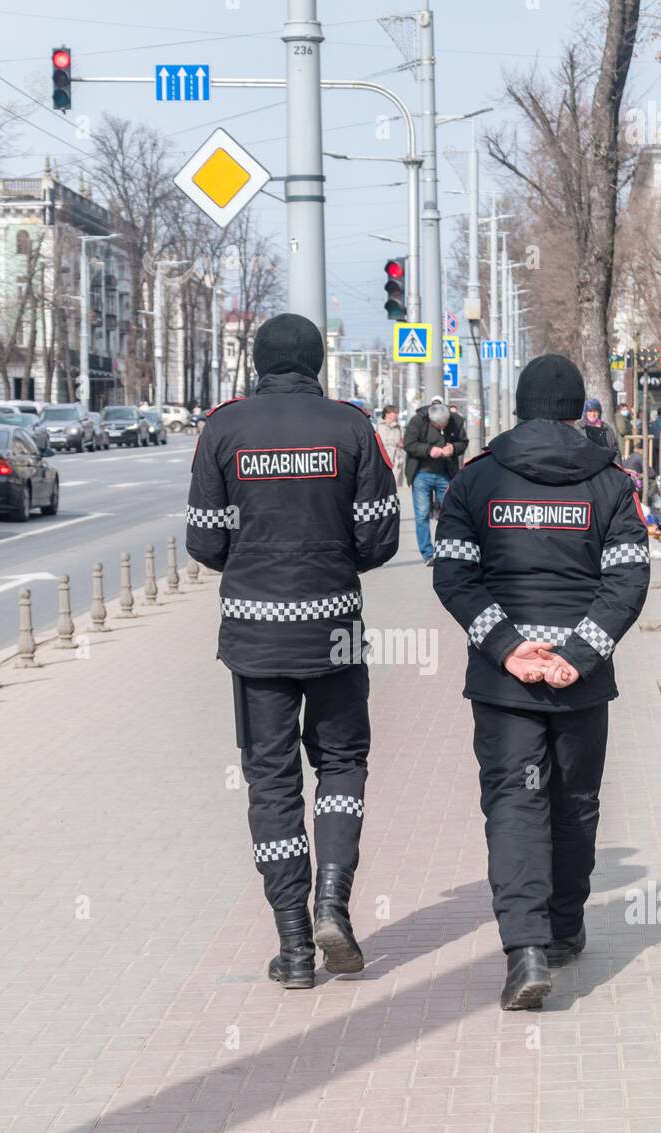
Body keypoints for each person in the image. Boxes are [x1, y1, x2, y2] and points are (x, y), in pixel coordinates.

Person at [185, 313, 400, 988]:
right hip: (334, 629)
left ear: (258, 361)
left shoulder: (223, 429)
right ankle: (333, 901)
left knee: (272, 782)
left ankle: (296, 945)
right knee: (339, 764)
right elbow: (379, 538)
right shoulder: (352, 428)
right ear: (315, 363)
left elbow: (205, 539)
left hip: (254, 638)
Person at [432, 353, 650, 1011]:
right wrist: (576, 654)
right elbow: (629, 578)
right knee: (574, 798)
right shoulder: (609, 483)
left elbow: (454, 576)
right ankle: (564, 926)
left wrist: (510, 648)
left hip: (506, 685)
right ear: (576, 408)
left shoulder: (479, 481)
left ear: (522, 406)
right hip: (580, 681)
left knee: (514, 802)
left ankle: (525, 950)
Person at [404, 396, 468, 565]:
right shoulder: (418, 421)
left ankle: (447, 549)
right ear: (431, 421)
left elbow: (463, 442)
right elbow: (409, 444)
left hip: (445, 473)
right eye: (439, 426)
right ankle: (428, 553)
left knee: (450, 513)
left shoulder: (456, 420)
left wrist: (453, 448)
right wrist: (428, 450)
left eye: (445, 424)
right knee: (422, 515)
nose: (442, 428)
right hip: (421, 474)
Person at [576, 397, 622, 463]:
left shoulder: (606, 428)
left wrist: (618, 466)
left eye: (595, 411)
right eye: (590, 411)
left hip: (604, 464)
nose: (592, 414)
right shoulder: (578, 427)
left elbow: (614, 449)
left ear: (599, 412)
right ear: (585, 412)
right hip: (585, 464)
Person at [377, 403, 406, 487]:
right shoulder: (378, 426)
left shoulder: (399, 428)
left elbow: (404, 441)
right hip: (382, 458)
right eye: (395, 413)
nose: (397, 415)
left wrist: (402, 444)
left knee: (396, 485)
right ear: (388, 414)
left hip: (396, 460)